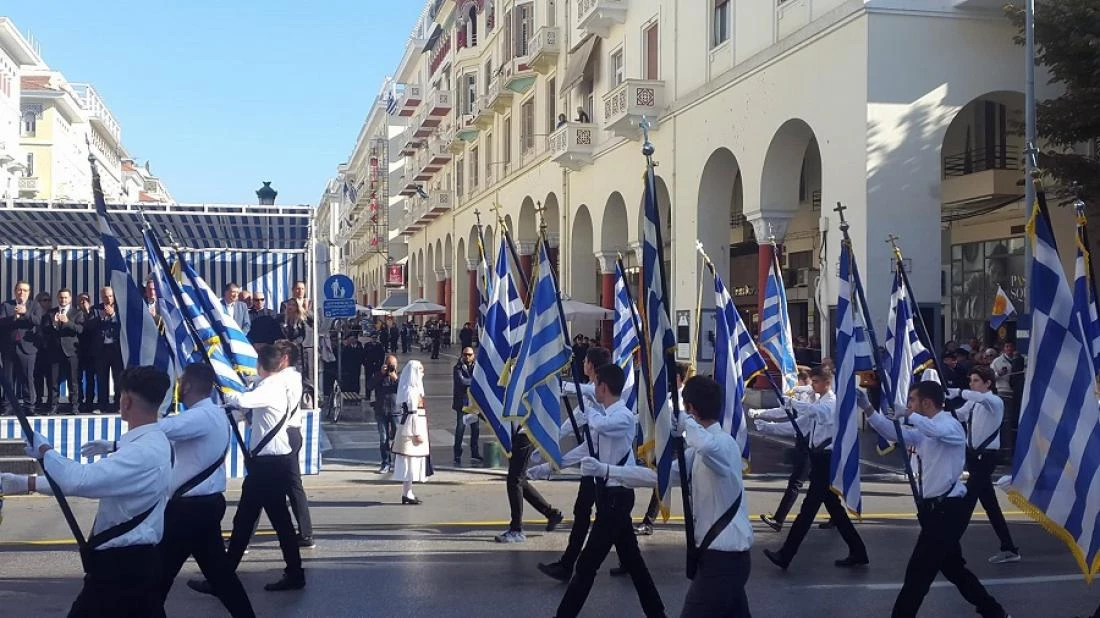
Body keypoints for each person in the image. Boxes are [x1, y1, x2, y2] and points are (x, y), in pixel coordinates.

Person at [81, 363, 256, 617]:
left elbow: (158, 429)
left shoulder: (200, 416)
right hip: (202, 508)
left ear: (187, 386)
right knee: (219, 576)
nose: (178, 387)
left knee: (156, 579)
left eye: (181, 382)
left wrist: (114, 444)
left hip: (189, 511)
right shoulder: (214, 414)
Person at [2, 366, 174, 616]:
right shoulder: (150, 444)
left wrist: (45, 451)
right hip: (129, 566)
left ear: (125, 401)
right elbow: (90, 481)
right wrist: (24, 482)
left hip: (122, 569)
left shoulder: (143, 451)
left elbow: (78, 480)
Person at [862, 381, 1010, 618]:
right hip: (932, 512)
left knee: (917, 575)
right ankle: (994, 612)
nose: (909, 404)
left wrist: (910, 415)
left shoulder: (950, 425)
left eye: (912, 400)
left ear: (927, 403)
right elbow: (898, 434)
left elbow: (937, 433)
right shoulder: (925, 428)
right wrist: (869, 409)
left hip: (947, 511)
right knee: (954, 569)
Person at [189, 343, 305, 593]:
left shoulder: (270, 387)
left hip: (269, 464)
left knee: (259, 521)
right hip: (269, 462)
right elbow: (246, 408)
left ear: (260, 365)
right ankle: (229, 575)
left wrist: (227, 393)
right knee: (251, 520)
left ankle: (226, 577)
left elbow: (242, 399)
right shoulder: (271, 385)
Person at [552, 364, 666, 618]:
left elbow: (601, 427)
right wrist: (555, 464)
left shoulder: (622, 416)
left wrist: (587, 410)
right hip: (607, 498)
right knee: (635, 565)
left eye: (595, 386)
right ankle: (657, 613)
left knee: (586, 566)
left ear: (603, 386)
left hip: (618, 498)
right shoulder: (603, 415)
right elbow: (588, 449)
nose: (594, 389)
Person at [751, 366, 868, 570]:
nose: (812, 385)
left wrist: (791, 401)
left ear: (827, 382)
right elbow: (799, 425)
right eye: (812, 381)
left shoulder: (831, 403)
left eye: (815, 381)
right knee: (835, 511)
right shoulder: (817, 402)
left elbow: (815, 413)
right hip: (817, 458)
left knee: (807, 512)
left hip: (827, 459)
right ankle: (858, 551)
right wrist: (768, 426)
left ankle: (785, 555)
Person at [532, 347, 612, 580]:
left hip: (605, 469)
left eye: (585, 361)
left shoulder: (599, 393)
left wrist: (549, 465)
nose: (583, 364)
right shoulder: (590, 395)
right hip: (594, 467)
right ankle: (567, 565)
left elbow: (585, 449)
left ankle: (572, 566)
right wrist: (543, 448)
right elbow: (570, 424)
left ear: (592, 366)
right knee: (587, 513)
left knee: (610, 521)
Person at [947, 366, 1020, 564]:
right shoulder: (973, 402)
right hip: (973, 457)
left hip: (986, 457)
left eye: (976, 380)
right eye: (970, 380)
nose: (972, 384)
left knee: (967, 501)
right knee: (990, 505)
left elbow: (982, 399)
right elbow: (959, 415)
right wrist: (942, 404)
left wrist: (959, 392)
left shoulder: (994, 401)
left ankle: (948, 547)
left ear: (988, 383)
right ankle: (1009, 547)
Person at [759, 369, 816, 533]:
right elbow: (784, 411)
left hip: (812, 448)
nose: (795, 388)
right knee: (824, 490)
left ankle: (778, 519)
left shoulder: (814, 406)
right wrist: (761, 414)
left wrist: (769, 428)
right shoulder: (805, 401)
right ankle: (837, 518)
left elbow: (794, 426)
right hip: (804, 445)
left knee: (796, 483)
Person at [280, 342, 316, 549]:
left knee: (259, 486)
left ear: (284, 358)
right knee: (294, 486)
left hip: (283, 434)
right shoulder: (294, 376)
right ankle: (305, 532)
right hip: (293, 432)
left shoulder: (282, 379)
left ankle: (243, 536)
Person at [0, 281, 43, 415]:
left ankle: (29, 406)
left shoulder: (34, 305)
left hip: (28, 348)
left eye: (25, 290)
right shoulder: (6, 305)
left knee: (27, 378)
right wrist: (13, 317)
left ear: (29, 293)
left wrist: (25, 313)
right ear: (15, 291)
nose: (22, 293)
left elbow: (37, 321)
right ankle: (7, 406)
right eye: (19, 290)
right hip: (9, 348)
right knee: (8, 379)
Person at [392, 360, 431, 504]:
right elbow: (413, 413)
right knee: (410, 462)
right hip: (411, 430)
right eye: (420, 370)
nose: (422, 373)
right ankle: (407, 493)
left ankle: (407, 492)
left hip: (411, 428)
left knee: (410, 463)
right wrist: (416, 433)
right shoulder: (411, 391)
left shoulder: (410, 389)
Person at [44, 288, 85, 416]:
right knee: (53, 381)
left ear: (70, 298)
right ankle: (53, 406)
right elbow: (44, 330)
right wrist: (54, 324)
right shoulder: (51, 313)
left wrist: (67, 322)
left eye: (66, 298)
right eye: (61, 298)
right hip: (54, 351)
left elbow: (80, 330)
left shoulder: (77, 313)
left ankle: (74, 406)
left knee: (73, 381)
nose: (63, 300)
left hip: (71, 351)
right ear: (58, 298)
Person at [89, 286, 123, 414]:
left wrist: (113, 315)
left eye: (110, 296)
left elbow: (123, 325)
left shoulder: (120, 308)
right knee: (101, 378)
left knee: (118, 378)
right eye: (105, 296)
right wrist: (101, 318)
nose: (107, 299)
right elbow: (88, 326)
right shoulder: (96, 309)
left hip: (116, 349)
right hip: (101, 349)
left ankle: (118, 404)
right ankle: (102, 405)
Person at [452, 347, 481, 466]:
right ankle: (457, 454)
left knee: (476, 429)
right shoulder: (457, 368)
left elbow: (480, 379)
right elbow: (461, 381)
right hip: (462, 403)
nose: (467, 357)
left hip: (474, 403)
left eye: (469, 354)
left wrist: (470, 381)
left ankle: (475, 453)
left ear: (473, 355)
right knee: (460, 429)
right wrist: (474, 381)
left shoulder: (477, 367)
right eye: (465, 354)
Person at [372, 355, 400, 473]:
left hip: (395, 411)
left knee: (397, 438)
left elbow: (405, 389)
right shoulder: (379, 375)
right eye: (388, 364)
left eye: (392, 365)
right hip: (381, 410)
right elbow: (370, 385)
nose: (390, 367)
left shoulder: (400, 376)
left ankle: (398, 462)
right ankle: (386, 463)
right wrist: (380, 374)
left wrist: (396, 379)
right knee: (383, 438)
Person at [75, 293, 98, 414]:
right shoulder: (75, 314)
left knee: (90, 378)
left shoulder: (94, 313)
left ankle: (89, 402)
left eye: (86, 300)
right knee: (77, 378)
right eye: (81, 300)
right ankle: (79, 402)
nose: (83, 302)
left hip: (91, 351)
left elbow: (92, 326)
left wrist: (88, 311)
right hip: (78, 350)